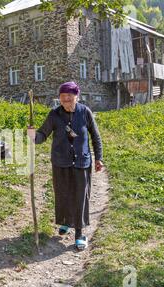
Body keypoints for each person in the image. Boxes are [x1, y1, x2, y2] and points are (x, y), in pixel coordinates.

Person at [27, 81, 103, 251]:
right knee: (63, 194)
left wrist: (99, 158)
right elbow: (42, 135)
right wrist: (33, 135)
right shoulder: (54, 115)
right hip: (60, 162)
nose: (66, 99)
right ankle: (66, 222)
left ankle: (79, 233)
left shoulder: (85, 112)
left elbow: (95, 137)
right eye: (63, 97)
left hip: (82, 162)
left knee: (80, 196)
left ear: (77, 96)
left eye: (69, 96)